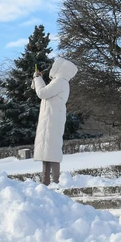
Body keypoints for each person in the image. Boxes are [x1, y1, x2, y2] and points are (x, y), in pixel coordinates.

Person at [32, 57, 77, 185]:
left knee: (51, 149)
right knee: (48, 149)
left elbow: (42, 93)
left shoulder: (60, 82)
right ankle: (46, 180)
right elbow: (46, 91)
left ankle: (54, 180)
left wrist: (37, 79)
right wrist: (38, 79)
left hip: (51, 119)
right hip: (52, 118)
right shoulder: (61, 82)